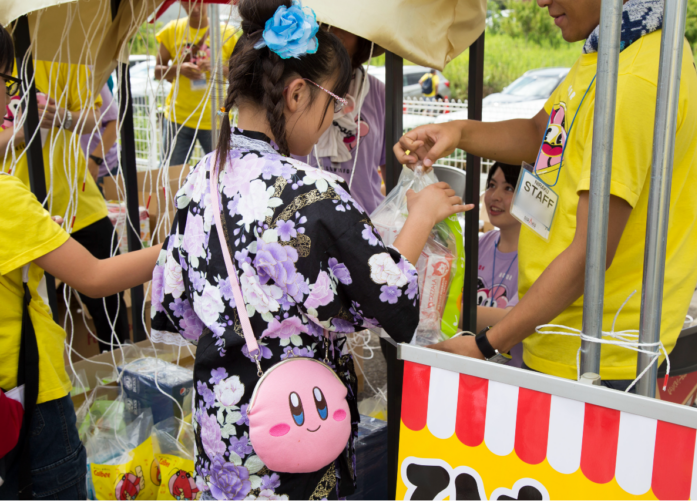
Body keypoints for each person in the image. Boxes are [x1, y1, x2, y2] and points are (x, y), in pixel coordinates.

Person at [150, 1, 472, 498]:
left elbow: (176, 304)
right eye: (335, 102)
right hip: (296, 424)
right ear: (297, 94)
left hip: (224, 422)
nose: (337, 118)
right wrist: (422, 215)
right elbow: (391, 299)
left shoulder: (200, 177)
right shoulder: (311, 190)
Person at [395, 0, 697, 390]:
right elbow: (545, 132)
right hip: (562, 334)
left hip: (597, 355)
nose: (541, 1)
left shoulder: (635, 78)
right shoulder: (611, 47)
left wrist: (488, 345)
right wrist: (458, 131)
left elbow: (590, 255)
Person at [0, 24, 162, 499]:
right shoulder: (8, 198)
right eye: (6, 84)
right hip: (33, 400)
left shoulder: (74, 64)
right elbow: (94, 278)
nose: (11, 98)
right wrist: (183, 241)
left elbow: (103, 125)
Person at [1, 60, 131, 353]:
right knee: (31, 306)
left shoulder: (62, 54)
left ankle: (120, 373)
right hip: (18, 213)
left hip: (79, 202)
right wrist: (21, 132)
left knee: (109, 306)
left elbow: (94, 117)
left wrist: (63, 117)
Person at [294, 28, 387, 214]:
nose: (332, 30)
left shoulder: (379, 93)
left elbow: (391, 170)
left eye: (345, 26)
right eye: (325, 23)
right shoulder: (293, 87)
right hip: (301, 222)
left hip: (366, 226)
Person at [155, 0, 239, 167]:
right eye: (187, 2)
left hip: (216, 117)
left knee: (220, 175)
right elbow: (157, 71)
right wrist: (179, 69)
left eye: (199, 2)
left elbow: (240, 74)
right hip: (178, 117)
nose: (194, 7)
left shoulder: (227, 33)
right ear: (181, 4)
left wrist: (217, 68)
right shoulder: (171, 30)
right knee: (171, 174)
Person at [475, 162, 524, 367]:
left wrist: (439, 310)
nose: (495, 196)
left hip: (513, 379)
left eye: (509, 188)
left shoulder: (536, 258)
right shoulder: (482, 242)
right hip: (473, 366)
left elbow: (511, 320)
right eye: (492, 185)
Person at [81, 82, 120, 186]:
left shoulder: (88, 72)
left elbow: (115, 121)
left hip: (100, 168)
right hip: (70, 171)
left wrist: (95, 159)